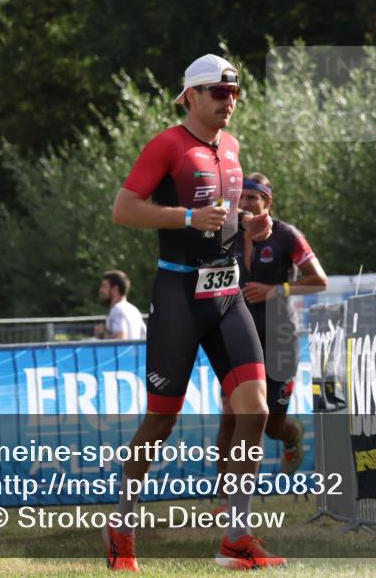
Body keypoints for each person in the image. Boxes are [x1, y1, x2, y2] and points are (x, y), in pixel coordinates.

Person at [104, 54, 285, 571]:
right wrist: (184, 216)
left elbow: (228, 218)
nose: (229, 102)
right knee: (161, 421)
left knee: (255, 410)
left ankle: (235, 538)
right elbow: (123, 208)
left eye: (234, 93)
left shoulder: (232, 147)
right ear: (191, 96)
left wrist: (255, 225)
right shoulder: (167, 144)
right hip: (179, 296)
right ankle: (121, 528)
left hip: (226, 296)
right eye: (218, 93)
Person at [214, 173, 328, 506]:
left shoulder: (286, 235)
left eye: (253, 198)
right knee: (232, 416)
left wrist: (275, 291)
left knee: (270, 425)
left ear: (268, 203)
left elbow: (318, 280)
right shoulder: (227, 233)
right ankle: (228, 500)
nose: (246, 203)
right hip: (237, 335)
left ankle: (291, 435)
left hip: (279, 336)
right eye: (242, 197)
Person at [94, 270, 147, 340]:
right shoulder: (134, 310)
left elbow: (121, 339)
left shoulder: (118, 310)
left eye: (104, 286)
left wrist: (101, 334)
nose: (101, 290)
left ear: (115, 289)